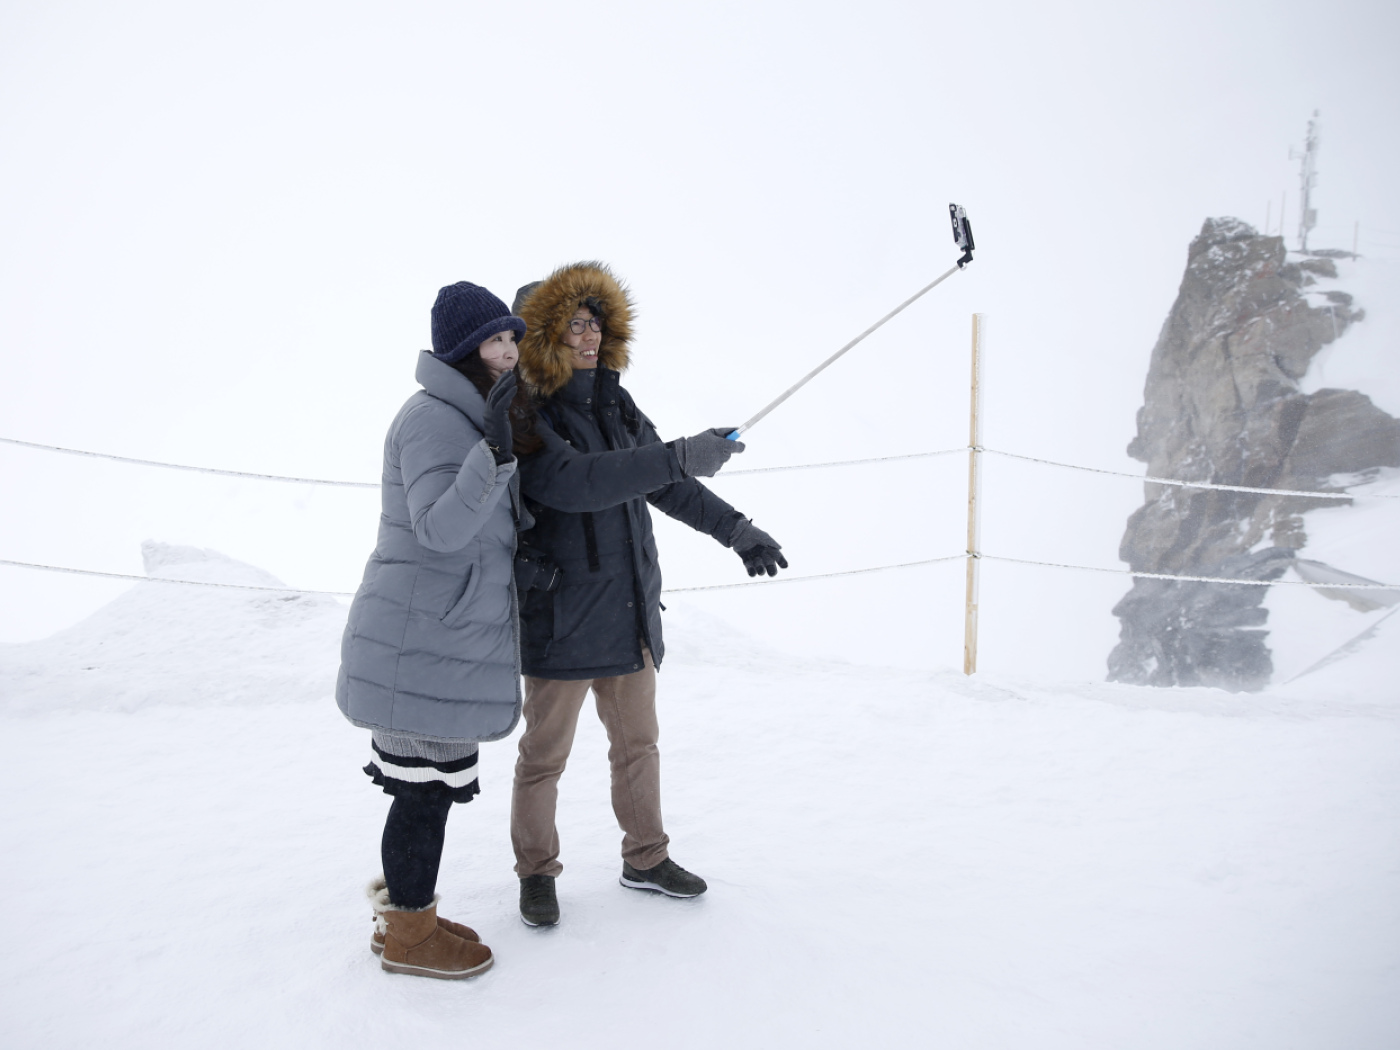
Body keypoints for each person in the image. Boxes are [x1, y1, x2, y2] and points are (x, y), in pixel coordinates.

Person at [509, 261, 787, 926]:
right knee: (543, 756)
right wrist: (680, 454)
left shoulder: (615, 403)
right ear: (543, 334)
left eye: (596, 323)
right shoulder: (525, 413)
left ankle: (646, 857)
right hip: (561, 617)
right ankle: (536, 872)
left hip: (628, 610)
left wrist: (738, 530)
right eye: (573, 325)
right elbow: (579, 483)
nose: (588, 337)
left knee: (639, 745)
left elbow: (662, 481)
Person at [336, 281, 539, 979]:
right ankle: (412, 938)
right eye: (495, 340)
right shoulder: (435, 419)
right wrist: (492, 449)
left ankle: (406, 916)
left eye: (513, 338)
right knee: (421, 794)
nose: (510, 351)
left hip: (438, 640)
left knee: (425, 788)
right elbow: (440, 529)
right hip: (421, 642)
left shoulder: (469, 415)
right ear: (462, 350)